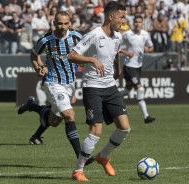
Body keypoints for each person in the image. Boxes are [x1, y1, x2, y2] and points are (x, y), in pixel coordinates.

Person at [67, 1, 131, 181]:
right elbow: (72, 55)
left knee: (124, 128)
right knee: (96, 131)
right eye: (121, 17)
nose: (123, 21)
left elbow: (116, 52)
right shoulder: (94, 35)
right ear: (111, 17)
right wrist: (91, 60)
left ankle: (103, 156)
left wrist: (117, 69)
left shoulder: (118, 36)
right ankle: (78, 170)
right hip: (92, 87)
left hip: (110, 86)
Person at [17, 11, 82, 159]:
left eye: (66, 23)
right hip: (53, 82)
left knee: (54, 121)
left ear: (70, 23)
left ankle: (32, 106)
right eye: (59, 23)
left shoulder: (77, 37)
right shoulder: (46, 40)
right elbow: (33, 55)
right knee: (69, 115)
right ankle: (81, 156)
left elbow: (86, 53)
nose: (63, 26)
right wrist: (39, 67)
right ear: (54, 24)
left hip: (70, 83)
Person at [119, 15, 156, 124]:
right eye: (136, 22)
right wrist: (127, 53)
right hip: (129, 66)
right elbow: (116, 47)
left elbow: (151, 47)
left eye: (140, 22)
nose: (138, 24)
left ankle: (109, 98)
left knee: (127, 90)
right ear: (133, 23)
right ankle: (146, 116)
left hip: (138, 66)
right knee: (140, 88)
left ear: (142, 23)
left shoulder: (145, 34)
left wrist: (146, 50)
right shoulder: (127, 34)